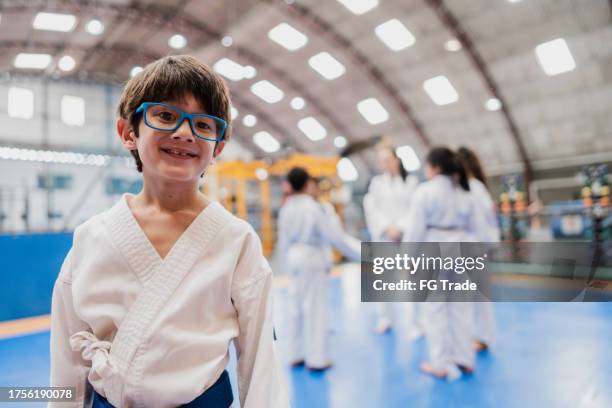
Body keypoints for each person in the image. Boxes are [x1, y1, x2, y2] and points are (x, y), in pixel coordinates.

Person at [49, 55, 289, 408]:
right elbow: (67, 361)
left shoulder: (236, 241)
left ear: (218, 148)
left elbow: (260, 358)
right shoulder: (91, 238)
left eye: (204, 125)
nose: (185, 132)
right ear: (128, 133)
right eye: (165, 116)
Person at [403, 147, 486, 380]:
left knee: (435, 309)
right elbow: (477, 227)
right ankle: (465, 359)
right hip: (462, 248)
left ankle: (440, 362)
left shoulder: (425, 191)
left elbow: (414, 231)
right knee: (461, 308)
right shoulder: (465, 191)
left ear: (435, 167)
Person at [278, 167, 360, 371]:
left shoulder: (286, 208)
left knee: (296, 307)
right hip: (312, 259)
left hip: (293, 258)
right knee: (315, 309)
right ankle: (317, 359)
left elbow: (283, 242)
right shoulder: (313, 208)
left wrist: (286, 265)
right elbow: (335, 237)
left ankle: (296, 354)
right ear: (307, 184)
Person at [363, 142, 419, 334]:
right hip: (385, 237)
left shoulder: (410, 182)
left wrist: (401, 227)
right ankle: (385, 318)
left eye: (387, 159)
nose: (384, 164)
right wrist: (387, 228)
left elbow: (414, 210)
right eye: (381, 161)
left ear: (396, 159)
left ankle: (416, 323)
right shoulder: (377, 184)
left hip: (406, 237)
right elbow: (372, 209)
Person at [457, 147, 500, 353]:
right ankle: (477, 335)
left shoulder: (472, 187)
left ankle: (482, 337)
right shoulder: (474, 187)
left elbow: (484, 220)